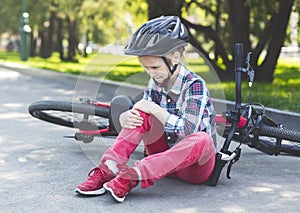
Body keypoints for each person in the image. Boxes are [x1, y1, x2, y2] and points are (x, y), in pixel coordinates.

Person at [75, 15, 217, 203]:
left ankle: (132, 176)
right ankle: (108, 168)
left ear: (175, 58)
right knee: (141, 113)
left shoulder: (194, 85)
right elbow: (145, 115)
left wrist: (152, 108)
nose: (150, 73)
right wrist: (127, 118)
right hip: (162, 161)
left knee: (202, 139)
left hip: (193, 169)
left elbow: (188, 130)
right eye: (146, 68)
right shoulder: (156, 82)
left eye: (154, 67)